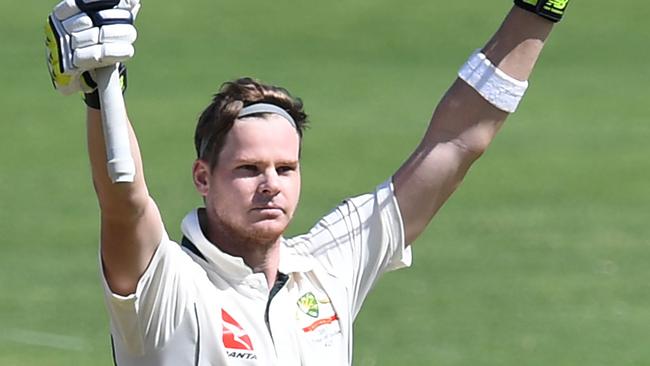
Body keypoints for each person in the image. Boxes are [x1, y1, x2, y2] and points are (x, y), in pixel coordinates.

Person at [45, 0, 571, 364]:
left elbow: (455, 143)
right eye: (248, 170)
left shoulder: (327, 266)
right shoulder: (167, 286)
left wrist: (539, 11)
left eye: (285, 168)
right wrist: (102, 91)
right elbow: (125, 200)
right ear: (203, 178)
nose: (270, 184)